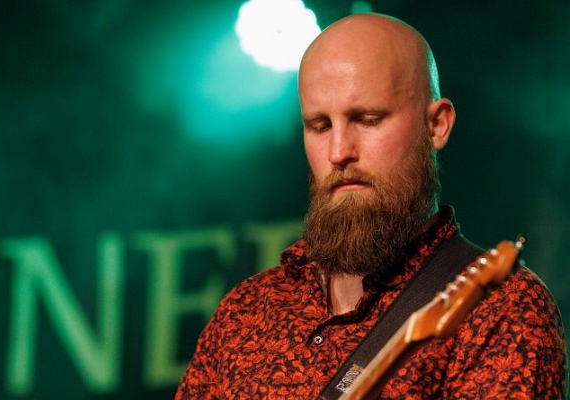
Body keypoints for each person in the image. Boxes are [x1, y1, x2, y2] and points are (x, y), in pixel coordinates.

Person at [176, 13, 567, 399]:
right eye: (320, 126)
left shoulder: (502, 309)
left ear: (437, 125)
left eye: (367, 119)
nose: (338, 152)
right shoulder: (245, 312)